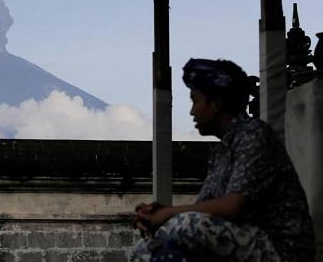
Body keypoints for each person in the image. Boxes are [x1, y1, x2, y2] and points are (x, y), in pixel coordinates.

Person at [131, 58, 315, 262]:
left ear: (216, 103)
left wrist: (169, 214)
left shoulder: (254, 135)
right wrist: (160, 213)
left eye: (195, 101)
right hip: (245, 240)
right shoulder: (221, 151)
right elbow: (206, 207)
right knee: (146, 249)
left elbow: (230, 208)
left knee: (187, 224)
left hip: (280, 248)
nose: (192, 111)